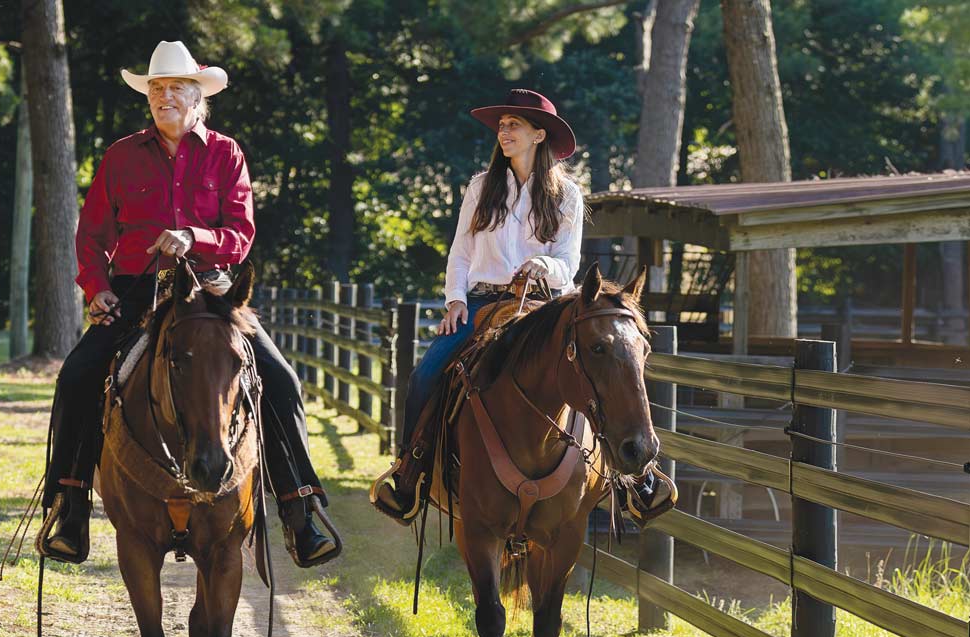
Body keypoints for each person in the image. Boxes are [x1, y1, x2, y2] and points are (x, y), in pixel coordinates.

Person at [36, 41, 341, 569]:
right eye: (156, 89)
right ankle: (69, 507)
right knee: (77, 375)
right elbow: (92, 236)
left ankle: (299, 508)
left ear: (198, 98)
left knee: (282, 379)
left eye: (176, 88)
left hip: (212, 293)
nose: (165, 97)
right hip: (137, 293)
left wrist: (193, 236)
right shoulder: (121, 155)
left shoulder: (226, 153)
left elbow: (240, 233)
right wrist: (97, 287)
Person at [370, 89, 673, 524]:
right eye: (502, 125)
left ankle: (634, 480)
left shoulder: (567, 193)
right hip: (480, 303)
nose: (504, 131)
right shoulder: (480, 187)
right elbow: (459, 251)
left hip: (543, 304)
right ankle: (408, 474)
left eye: (514, 124)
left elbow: (568, 263)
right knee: (425, 374)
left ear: (538, 134)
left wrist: (541, 263)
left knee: (604, 365)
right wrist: (455, 299)